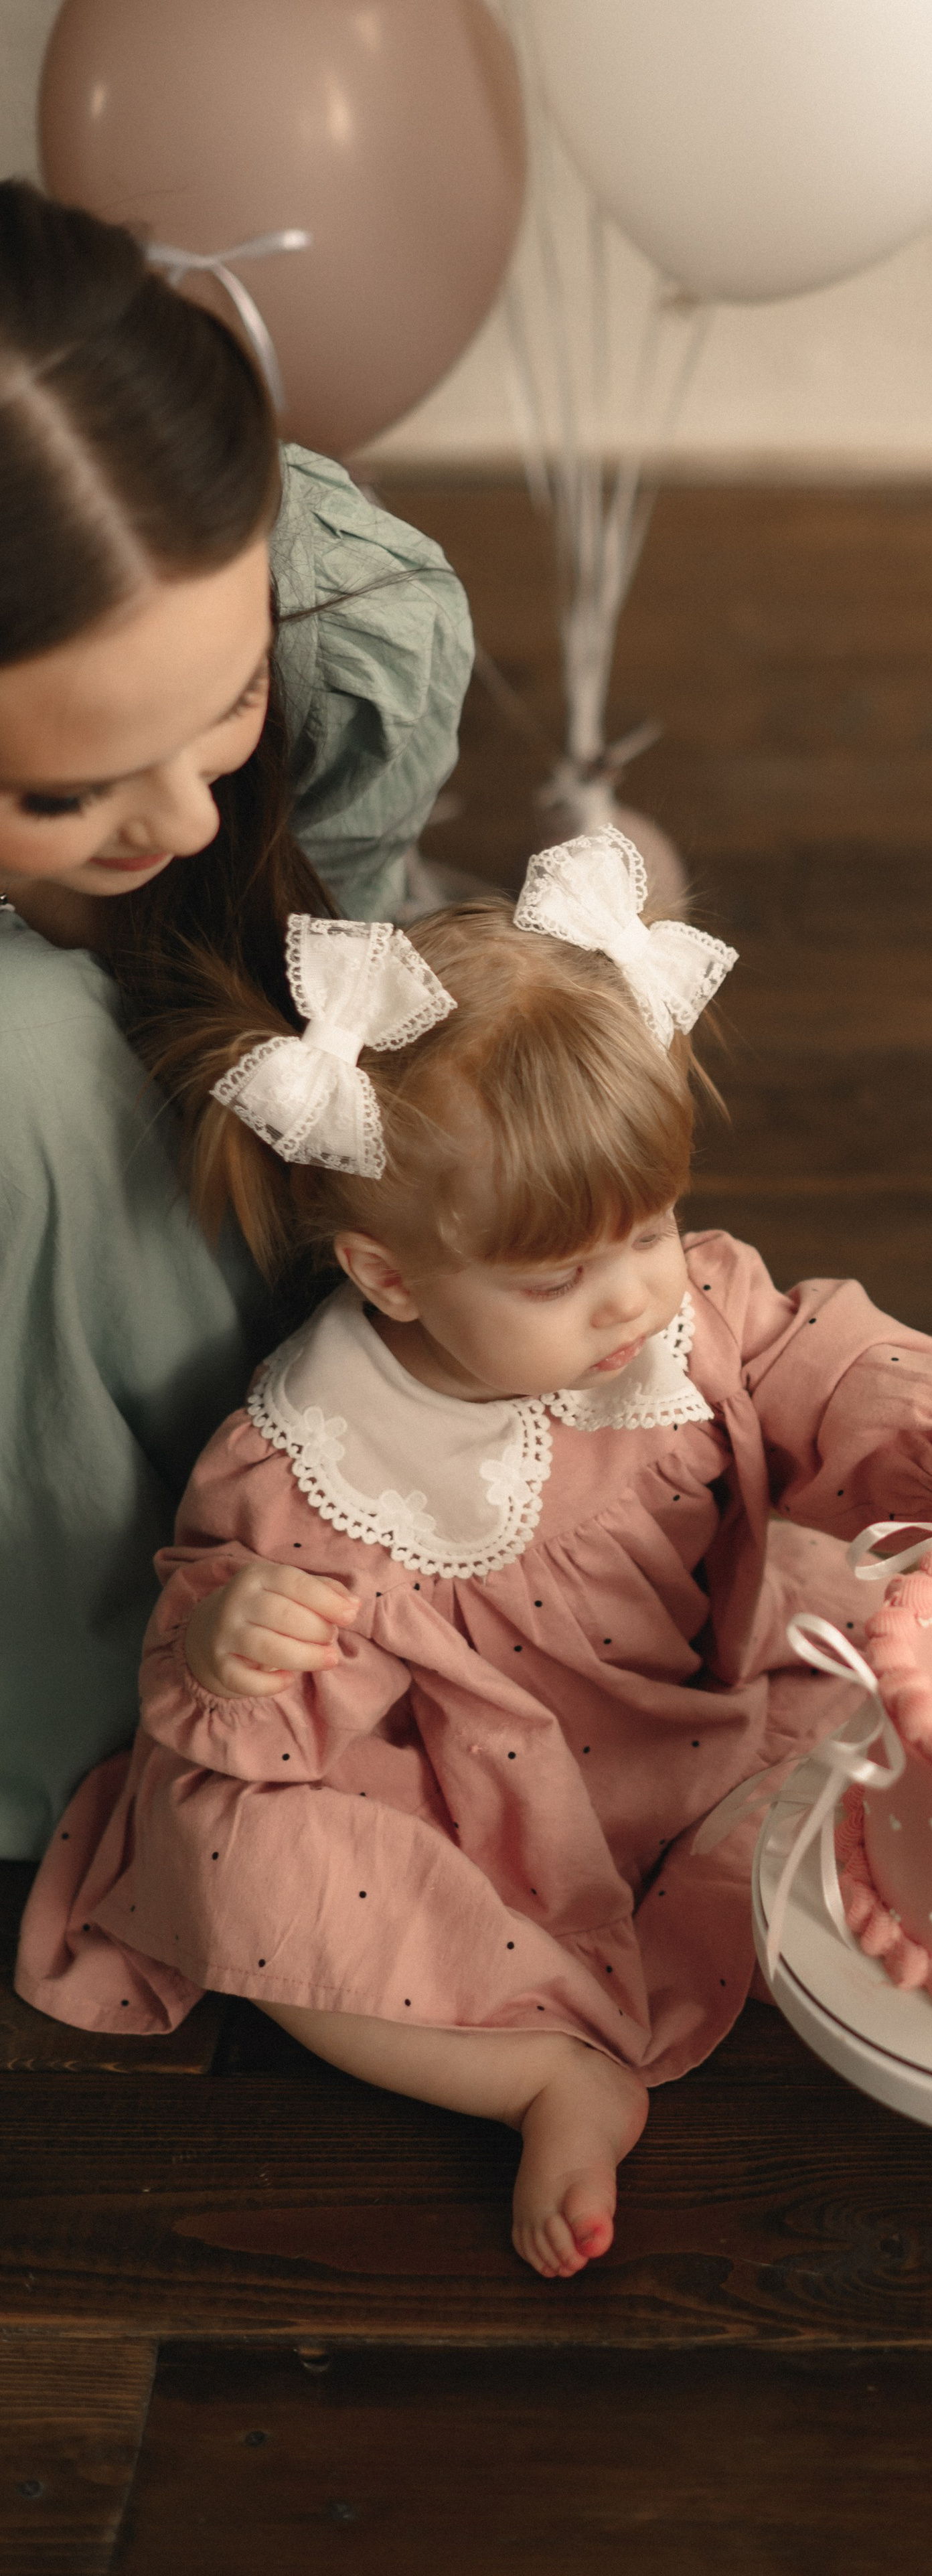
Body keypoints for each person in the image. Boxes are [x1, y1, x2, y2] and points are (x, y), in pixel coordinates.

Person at [17, 830, 932, 2279]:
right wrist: (235, 1640)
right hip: (457, 1807)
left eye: (649, 1232)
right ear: (388, 1275)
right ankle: (534, 2069)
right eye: (556, 1279)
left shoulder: (682, 1313)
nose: (628, 1298)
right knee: (228, 1859)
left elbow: (829, 1364)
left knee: (928, 1697)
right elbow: (233, 1645)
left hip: (702, 1705)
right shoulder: (313, 1459)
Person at [0, 180, 473, 1859]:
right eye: (64, 789)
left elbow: (337, 971)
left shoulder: (343, 619)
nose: (190, 827)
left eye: (228, 707)